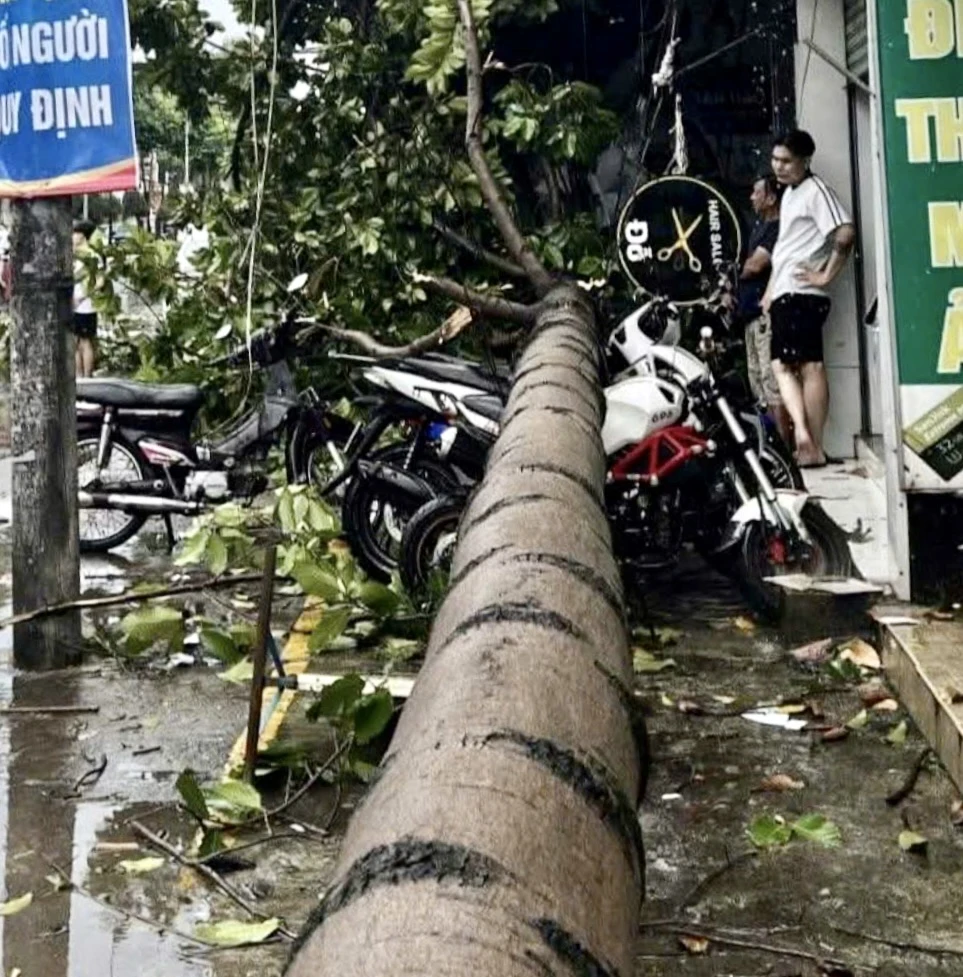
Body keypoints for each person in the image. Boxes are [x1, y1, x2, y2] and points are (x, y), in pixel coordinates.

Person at [763, 129, 855, 468]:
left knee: (801, 365)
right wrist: (772, 288)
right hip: (788, 291)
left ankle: (808, 441)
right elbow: (786, 247)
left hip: (802, 292)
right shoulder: (790, 194)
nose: (779, 167)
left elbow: (844, 233)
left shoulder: (815, 190)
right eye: (775, 159)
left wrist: (826, 275)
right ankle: (808, 443)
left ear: (805, 161)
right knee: (792, 364)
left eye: (787, 161)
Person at [736, 174, 791, 445]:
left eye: (757, 192)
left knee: (771, 384)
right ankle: (773, 446)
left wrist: (733, 272)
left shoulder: (776, 228)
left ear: (771, 198)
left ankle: (785, 447)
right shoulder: (760, 227)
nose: (752, 197)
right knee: (757, 382)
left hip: (764, 316)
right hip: (750, 317)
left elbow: (756, 265)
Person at [72, 219, 98, 377]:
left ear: (82, 235)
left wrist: (81, 298)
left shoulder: (92, 256)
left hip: (86, 306)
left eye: (75, 233)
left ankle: (87, 377)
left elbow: (99, 282)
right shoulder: (75, 255)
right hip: (74, 305)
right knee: (75, 343)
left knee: (85, 342)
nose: (73, 236)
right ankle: (79, 376)